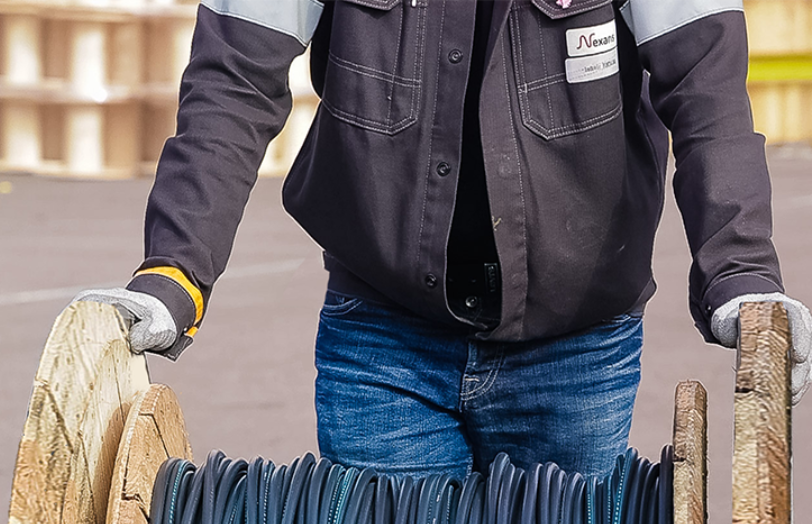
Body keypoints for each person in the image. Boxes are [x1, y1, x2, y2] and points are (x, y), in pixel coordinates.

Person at [76, 0, 812, 479]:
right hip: (384, 343)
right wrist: (174, 271)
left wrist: (742, 278)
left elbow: (708, 96)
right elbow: (233, 85)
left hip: (575, 347)